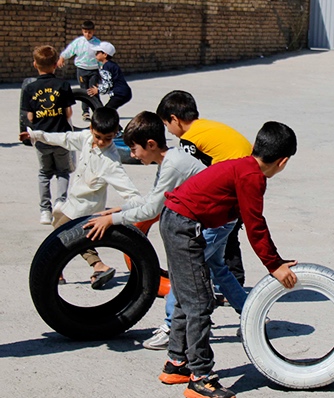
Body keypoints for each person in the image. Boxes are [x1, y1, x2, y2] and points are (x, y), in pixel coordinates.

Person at [158, 121, 298, 398]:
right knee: (199, 302)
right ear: (283, 162)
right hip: (184, 226)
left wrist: (275, 259)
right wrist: (274, 265)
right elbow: (254, 223)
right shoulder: (253, 176)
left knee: (188, 299)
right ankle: (201, 379)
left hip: (175, 220)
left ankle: (176, 363)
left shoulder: (244, 166)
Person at [82, 112, 248, 349]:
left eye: (134, 149)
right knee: (218, 269)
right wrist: (121, 208)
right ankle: (252, 315)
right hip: (220, 218)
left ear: (150, 145)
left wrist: (113, 221)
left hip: (216, 221)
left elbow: (151, 209)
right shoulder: (169, 160)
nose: (132, 155)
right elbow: (153, 198)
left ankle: (171, 327)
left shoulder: (173, 165)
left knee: (183, 272)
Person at [20, 107, 142, 289]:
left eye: (107, 138)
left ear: (116, 133)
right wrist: (36, 135)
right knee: (59, 228)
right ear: (91, 128)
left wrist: (119, 211)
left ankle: (94, 266)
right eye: (98, 136)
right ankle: (91, 268)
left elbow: (133, 195)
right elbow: (64, 138)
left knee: (63, 232)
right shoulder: (86, 138)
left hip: (87, 208)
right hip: (73, 202)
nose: (101, 142)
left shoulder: (110, 163)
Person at [156, 90, 251, 289]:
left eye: (166, 125)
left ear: (175, 119)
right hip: (247, 182)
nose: (169, 131)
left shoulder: (189, 139)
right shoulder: (208, 127)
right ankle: (228, 282)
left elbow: (194, 174)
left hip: (231, 189)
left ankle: (223, 283)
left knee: (218, 237)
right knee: (227, 237)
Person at [21, 45, 76, 225]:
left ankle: (44, 210)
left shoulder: (30, 88)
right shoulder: (63, 85)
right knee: (63, 171)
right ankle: (60, 202)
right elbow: (68, 113)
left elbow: (29, 116)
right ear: (55, 65)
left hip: (41, 138)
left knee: (44, 173)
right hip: (61, 137)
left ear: (35, 64)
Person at [57, 20, 101, 121]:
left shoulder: (97, 43)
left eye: (89, 32)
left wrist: (102, 68)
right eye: (85, 32)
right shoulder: (78, 42)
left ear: (93, 32)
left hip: (94, 70)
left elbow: (102, 56)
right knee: (84, 91)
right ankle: (85, 112)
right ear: (82, 31)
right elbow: (70, 50)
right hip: (82, 70)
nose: (87, 34)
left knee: (93, 91)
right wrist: (62, 58)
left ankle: (97, 111)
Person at [87, 42, 132, 110]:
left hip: (119, 94)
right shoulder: (110, 65)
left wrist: (98, 90)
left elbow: (108, 85)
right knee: (110, 109)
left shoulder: (106, 67)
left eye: (98, 52)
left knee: (107, 110)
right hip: (123, 93)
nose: (96, 54)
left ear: (105, 54)